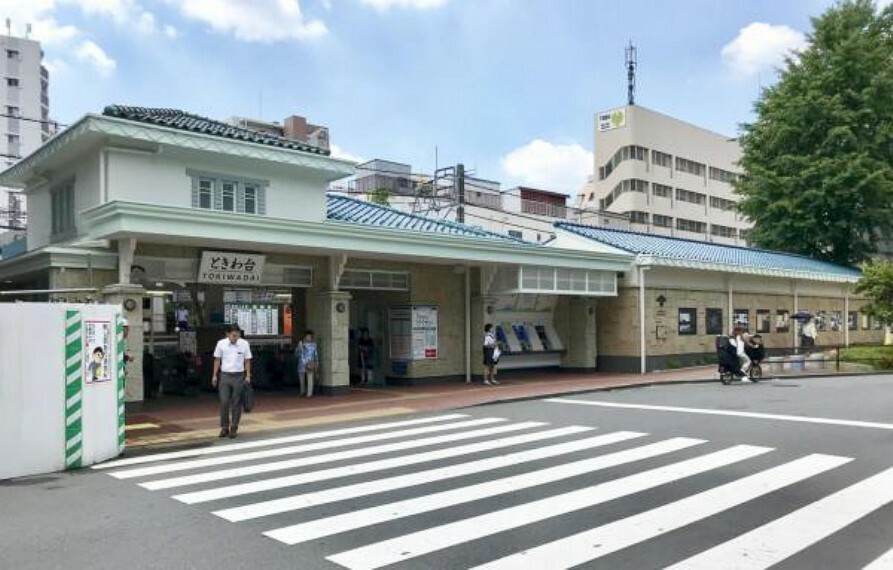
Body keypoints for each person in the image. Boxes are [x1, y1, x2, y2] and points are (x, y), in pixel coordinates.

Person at [212, 324, 252, 438]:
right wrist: (214, 375)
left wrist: (248, 376)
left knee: (236, 402)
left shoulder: (244, 344)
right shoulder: (221, 343)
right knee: (224, 402)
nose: (235, 338)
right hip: (224, 375)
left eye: (237, 335)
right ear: (227, 334)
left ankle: (234, 427)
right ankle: (224, 427)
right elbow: (217, 360)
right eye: (233, 335)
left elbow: (247, 361)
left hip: (238, 376)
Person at [295, 330, 319, 398]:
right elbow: (296, 353)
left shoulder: (314, 344)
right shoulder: (301, 343)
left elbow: (316, 354)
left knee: (310, 379)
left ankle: (309, 393)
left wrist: (316, 363)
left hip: (310, 363)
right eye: (307, 336)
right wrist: (299, 349)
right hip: (302, 363)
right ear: (305, 336)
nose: (309, 337)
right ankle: (302, 391)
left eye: (310, 336)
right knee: (301, 380)